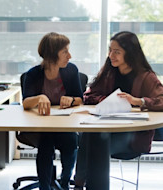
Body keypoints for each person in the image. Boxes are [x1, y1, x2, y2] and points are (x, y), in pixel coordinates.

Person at [74, 31, 163, 189]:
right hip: (106, 130)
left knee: (96, 142)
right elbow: (88, 95)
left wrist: (138, 101)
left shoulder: (146, 76)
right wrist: (108, 101)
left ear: (130, 53)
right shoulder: (109, 73)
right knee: (92, 135)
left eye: (117, 52)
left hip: (133, 136)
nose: (111, 55)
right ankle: (81, 184)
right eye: (110, 50)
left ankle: (79, 182)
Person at [22, 32, 83, 190]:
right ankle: (44, 187)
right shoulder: (34, 74)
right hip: (41, 125)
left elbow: (80, 99)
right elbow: (26, 103)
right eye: (65, 52)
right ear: (51, 54)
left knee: (71, 143)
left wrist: (71, 99)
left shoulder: (71, 71)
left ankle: (64, 182)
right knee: (45, 145)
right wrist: (39, 97)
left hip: (64, 124)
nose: (69, 56)